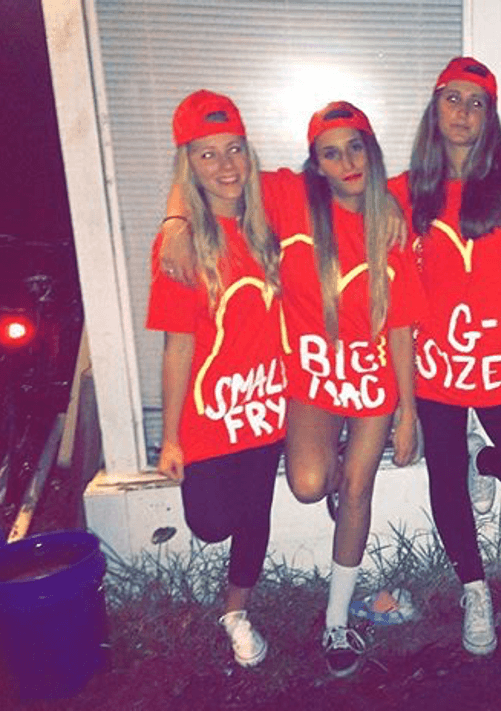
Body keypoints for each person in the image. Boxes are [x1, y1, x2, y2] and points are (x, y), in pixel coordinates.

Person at [392, 56, 501, 655]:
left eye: (477, 103)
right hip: (435, 368)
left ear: (490, 116)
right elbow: (319, 188)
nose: (463, 112)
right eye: (453, 99)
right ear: (435, 107)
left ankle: (485, 461)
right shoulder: (405, 193)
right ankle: (475, 589)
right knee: (444, 475)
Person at [258, 101, 425, 677]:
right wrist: (178, 223)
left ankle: (337, 620)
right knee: (309, 485)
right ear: (316, 163)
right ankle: (335, 465)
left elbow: (400, 325)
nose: (347, 162)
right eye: (331, 153)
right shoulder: (292, 201)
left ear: (371, 152)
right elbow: (215, 172)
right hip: (312, 375)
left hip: (372, 376)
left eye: (356, 147)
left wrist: (407, 412)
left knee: (358, 489)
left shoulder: (391, 222)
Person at [147, 90, 285, 668]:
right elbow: (177, 347)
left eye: (234, 149)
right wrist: (171, 437)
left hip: (268, 406)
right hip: (209, 414)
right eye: (207, 154)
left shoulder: (273, 215)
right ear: (188, 164)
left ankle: (236, 611)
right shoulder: (180, 247)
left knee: (255, 513)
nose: (226, 165)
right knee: (209, 523)